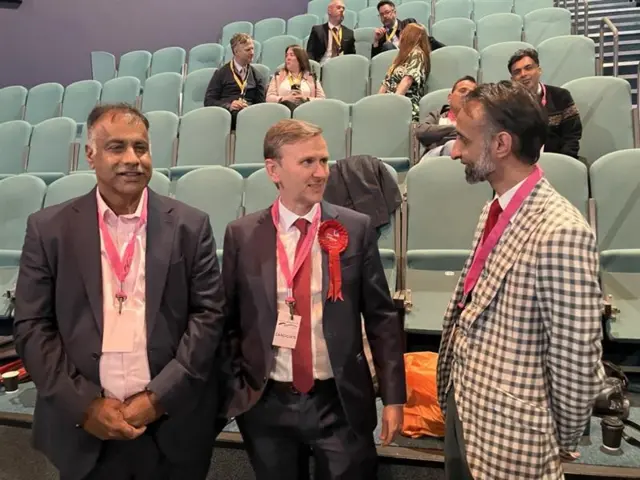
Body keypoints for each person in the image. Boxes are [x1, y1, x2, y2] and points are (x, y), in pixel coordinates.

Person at [13, 104, 226, 480]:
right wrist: (85, 406)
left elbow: (208, 316)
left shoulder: (190, 226)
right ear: (90, 155)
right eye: (116, 147)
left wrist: (159, 397)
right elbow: (33, 325)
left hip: (172, 425)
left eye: (140, 148)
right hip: (85, 430)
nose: (132, 159)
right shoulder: (49, 229)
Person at [436, 82, 605, 480]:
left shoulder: (561, 231)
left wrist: (553, 439)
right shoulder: (494, 208)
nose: (456, 151)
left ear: (501, 145)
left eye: (463, 139)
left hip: (514, 439)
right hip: (466, 411)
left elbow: (576, 362)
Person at [220, 119, 406, 480]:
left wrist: (394, 395)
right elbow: (229, 319)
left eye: (324, 161)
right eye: (307, 162)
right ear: (273, 170)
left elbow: (382, 316)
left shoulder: (354, 228)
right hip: (266, 401)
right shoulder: (241, 235)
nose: (321, 173)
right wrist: (235, 388)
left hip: (339, 399)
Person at [508, 48, 582, 159]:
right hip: (524, 166)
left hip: (559, 160)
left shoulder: (561, 96)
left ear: (539, 70)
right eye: (517, 72)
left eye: (528, 68)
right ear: (512, 79)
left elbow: (572, 136)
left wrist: (562, 162)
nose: (523, 74)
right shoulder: (508, 104)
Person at [204, 33, 266, 129]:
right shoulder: (221, 73)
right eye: (248, 50)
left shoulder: (257, 76)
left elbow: (261, 105)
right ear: (236, 52)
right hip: (227, 117)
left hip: (249, 116)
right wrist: (229, 106)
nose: (252, 52)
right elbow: (209, 101)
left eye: (252, 48)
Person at [378, 23, 431, 121]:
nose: (400, 34)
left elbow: (407, 80)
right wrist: (377, 104)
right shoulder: (400, 56)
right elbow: (386, 82)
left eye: (404, 32)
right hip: (389, 103)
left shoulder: (417, 54)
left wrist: (393, 105)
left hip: (405, 105)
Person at [415, 76, 477, 157]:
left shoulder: (479, 119)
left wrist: (440, 136)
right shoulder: (437, 115)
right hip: (434, 159)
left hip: (469, 158)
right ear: (449, 98)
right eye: (462, 90)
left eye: (472, 94)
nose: (467, 95)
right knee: (452, 145)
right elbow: (422, 132)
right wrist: (457, 129)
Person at [372, 0, 443, 58]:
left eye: (387, 12)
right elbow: (376, 61)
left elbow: (424, 41)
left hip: (412, 58)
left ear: (394, 12)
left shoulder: (408, 23)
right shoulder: (381, 35)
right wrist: (376, 41)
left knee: (430, 40)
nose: (384, 16)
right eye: (381, 14)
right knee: (387, 45)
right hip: (393, 65)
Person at [267, 44, 326, 112]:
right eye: (286, 55)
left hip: (306, 111)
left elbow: (322, 99)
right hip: (283, 112)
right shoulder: (278, 76)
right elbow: (269, 98)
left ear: (300, 58)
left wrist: (305, 98)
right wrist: (285, 98)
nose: (288, 58)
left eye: (291, 55)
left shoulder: (311, 77)